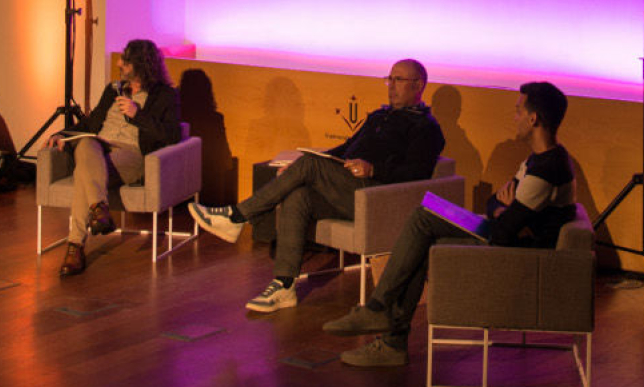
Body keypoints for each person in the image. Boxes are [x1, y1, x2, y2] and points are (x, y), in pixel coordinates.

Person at [326, 81, 577, 367]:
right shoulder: (538, 159)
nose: (515, 117)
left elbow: (506, 229)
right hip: (501, 231)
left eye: (519, 111)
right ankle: (388, 333)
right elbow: (495, 202)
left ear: (534, 119)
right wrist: (502, 208)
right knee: (427, 212)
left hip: (516, 251)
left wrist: (502, 210)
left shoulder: (547, 168)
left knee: (422, 222)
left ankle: (380, 312)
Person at [188, 59, 446, 313]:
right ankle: (284, 285)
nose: (390, 85)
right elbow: (345, 148)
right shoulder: (379, 116)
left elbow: (417, 173)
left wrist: (374, 168)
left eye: (398, 80)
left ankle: (238, 215)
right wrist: (302, 168)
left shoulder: (426, 128)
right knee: (298, 194)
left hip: (378, 196)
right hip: (348, 190)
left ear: (418, 85)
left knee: (309, 165)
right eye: (388, 79)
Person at [46, 39, 181, 277]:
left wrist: (137, 115)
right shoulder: (113, 90)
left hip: (132, 155)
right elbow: (91, 122)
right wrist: (62, 134)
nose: (119, 64)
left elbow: (171, 136)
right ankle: (99, 211)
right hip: (98, 148)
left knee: (82, 176)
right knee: (86, 143)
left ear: (140, 65)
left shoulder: (165, 95)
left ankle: (76, 244)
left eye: (125, 61)